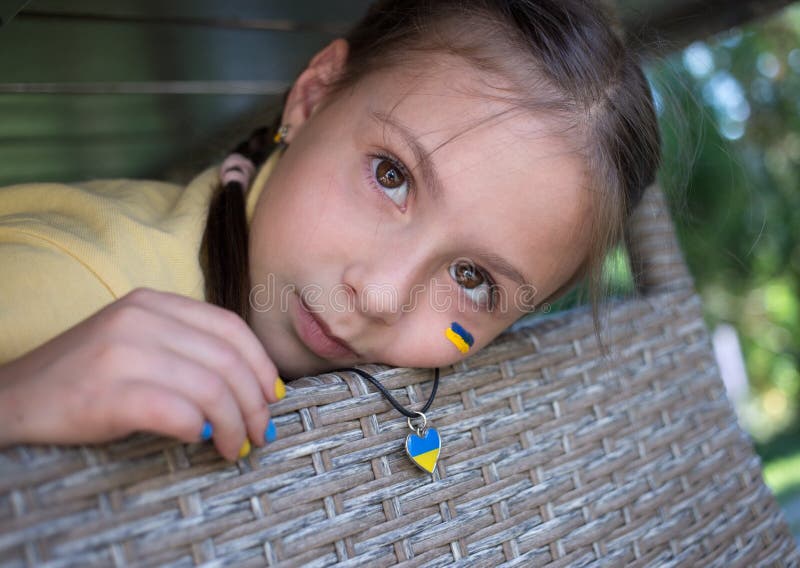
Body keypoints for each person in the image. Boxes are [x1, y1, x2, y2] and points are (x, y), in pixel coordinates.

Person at [0, 0, 661, 462]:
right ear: (312, 97)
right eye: (391, 176)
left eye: (473, 279)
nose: (380, 295)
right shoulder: (79, 281)